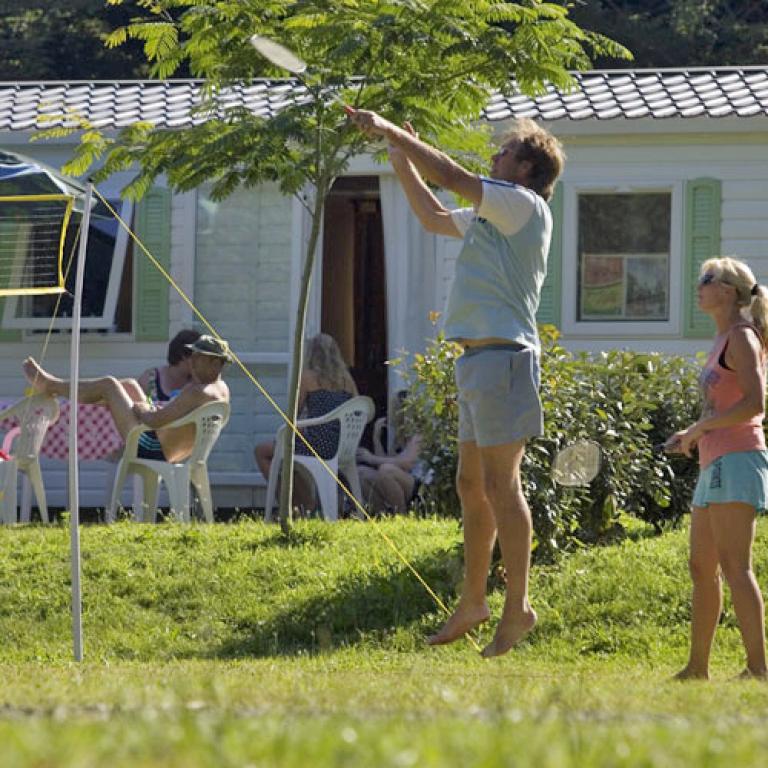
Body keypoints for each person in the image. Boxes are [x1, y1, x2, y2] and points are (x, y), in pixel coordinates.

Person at [347, 107, 564, 657]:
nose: (493, 157)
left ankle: (517, 608)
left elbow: (455, 178)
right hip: (477, 363)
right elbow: (433, 214)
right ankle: (474, 601)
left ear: (525, 170)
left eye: (504, 153)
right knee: (473, 486)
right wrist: (400, 157)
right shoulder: (496, 216)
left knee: (501, 486)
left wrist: (389, 129)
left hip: (504, 360)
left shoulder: (522, 206)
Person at [666, 257, 768, 680]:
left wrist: (702, 427)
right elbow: (723, 406)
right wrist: (691, 434)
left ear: (727, 291)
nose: (699, 286)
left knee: (735, 566)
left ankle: (759, 669)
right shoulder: (723, 338)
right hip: (715, 460)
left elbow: (755, 404)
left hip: (738, 458)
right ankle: (697, 668)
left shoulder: (741, 338)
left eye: (706, 279)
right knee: (701, 566)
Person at [22, 334, 231, 464]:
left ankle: (53, 385)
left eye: (198, 357)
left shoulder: (198, 391)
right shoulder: (221, 391)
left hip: (153, 449)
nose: (192, 361)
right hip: (172, 450)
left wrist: (141, 409)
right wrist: (146, 409)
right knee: (129, 385)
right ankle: (81, 393)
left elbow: (153, 421)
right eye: (192, 356)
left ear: (216, 363)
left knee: (109, 385)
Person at [254, 333, 358, 506]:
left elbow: (294, 413)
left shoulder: (308, 377)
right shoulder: (347, 380)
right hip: (342, 447)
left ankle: (293, 507)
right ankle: (306, 506)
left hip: (317, 446)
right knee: (290, 459)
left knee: (263, 452)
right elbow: (358, 410)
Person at [138, 328, 201, 403]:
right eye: (199, 357)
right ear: (184, 356)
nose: (203, 362)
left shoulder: (199, 381)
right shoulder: (150, 379)